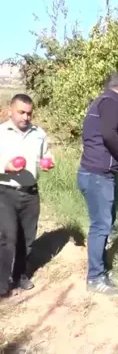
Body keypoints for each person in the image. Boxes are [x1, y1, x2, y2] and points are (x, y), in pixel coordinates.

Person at [78, 71, 118, 295]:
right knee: (101, 225)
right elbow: (109, 135)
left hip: (95, 174)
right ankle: (94, 278)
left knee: (104, 223)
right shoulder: (111, 103)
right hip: (97, 175)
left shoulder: (100, 102)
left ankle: (101, 271)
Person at [0, 94, 54, 299]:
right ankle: (2, 284)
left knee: (28, 238)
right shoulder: (1, 132)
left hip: (30, 192)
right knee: (8, 238)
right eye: (21, 112)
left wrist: (48, 162)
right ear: (10, 111)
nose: (26, 117)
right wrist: (6, 166)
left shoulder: (38, 133)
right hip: (5, 191)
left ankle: (20, 275)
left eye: (29, 113)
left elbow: (47, 154)